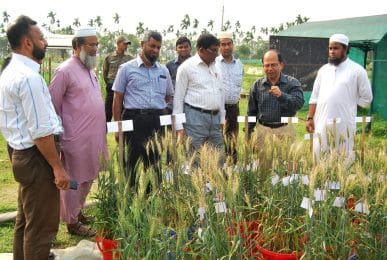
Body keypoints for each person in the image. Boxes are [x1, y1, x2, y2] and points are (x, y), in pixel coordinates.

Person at [0, 15, 70, 259]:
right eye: (41, 38)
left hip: (22, 155)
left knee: (25, 221)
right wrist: (57, 167)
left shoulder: (9, 72)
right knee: (42, 228)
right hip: (38, 158)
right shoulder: (28, 78)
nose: (45, 42)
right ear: (28, 43)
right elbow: (40, 132)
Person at [49, 26, 107, 236]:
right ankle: (72, 223)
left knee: (89, 177)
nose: (95, 49)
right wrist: (60, 137)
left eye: (96, 45)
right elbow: (52, 105)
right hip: (75, 139)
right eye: (91, 45)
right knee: (75, 180)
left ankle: (77, 211)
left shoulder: (89, 69)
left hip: (94, 138)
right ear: (77, 46)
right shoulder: (64, 71)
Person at [112, 30, 173, 188]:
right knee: (132, 163)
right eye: (152, 46)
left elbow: (168, 96)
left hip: (156, 121)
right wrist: (118, 128)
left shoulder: (163, 70)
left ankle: (151, 199)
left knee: (154, 163)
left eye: (158, 47)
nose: (156, 50)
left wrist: (155, 108)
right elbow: (117, 99)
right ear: (142, 44)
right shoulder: (126, 68)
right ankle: (130, 199)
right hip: (134, 120)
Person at [306, 33, 373, 162]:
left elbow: (366, 99)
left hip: (344, 124)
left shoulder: (357, 71)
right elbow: (314, 97)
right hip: (321, 123)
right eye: (330, 48)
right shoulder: (323, 70)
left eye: (336, 48)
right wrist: (310, 118)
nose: (332, 51)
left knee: (343, 160)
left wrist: (349, 102)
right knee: (319, 158)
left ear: (346, 49)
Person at [173, 33, 225, 156]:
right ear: (201, 50)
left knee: (218, 159)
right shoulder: (186, 68)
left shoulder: (216, 67)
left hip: (215, 120)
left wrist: (222, 118)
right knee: (195, 160)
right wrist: (179, 126)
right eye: (214, 50)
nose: (217, 54)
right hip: (194, 119)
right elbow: (178, 98)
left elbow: (220, 93)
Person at [248, 50, 304, 137]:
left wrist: (281, 95)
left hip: (285, 130)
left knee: (286, 151)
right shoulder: (257, 85)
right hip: (263, 131)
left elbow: (299, 103)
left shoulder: (292, 83)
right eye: (267, 65)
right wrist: (249, 130)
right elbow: (252, 111)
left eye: (273, 65)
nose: (270, 69)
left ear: (281, 65)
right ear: (263, 66)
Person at [215, 31, 243, 163]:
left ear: (233, 45)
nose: (226, 47)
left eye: (229, 44)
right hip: (218, 108)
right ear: (219, 46)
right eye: (223, 44)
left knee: (233, 140)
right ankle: (218, 167)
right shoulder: (214, 63)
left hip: (233, 108)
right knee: (217, 139)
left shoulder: (239, 65)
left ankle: (232, 168)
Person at [103, 35, 133, 122]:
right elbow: (105, 72)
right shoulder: (109, 57)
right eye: (125, 44)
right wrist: (110, 83)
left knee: (123, 112)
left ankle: (121, 133)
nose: (126, 46)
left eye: (127, 44)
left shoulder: (130, 58)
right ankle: (103, 133)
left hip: (124, 89)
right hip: (111, 87)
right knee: (107, 112)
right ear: (118, 44)